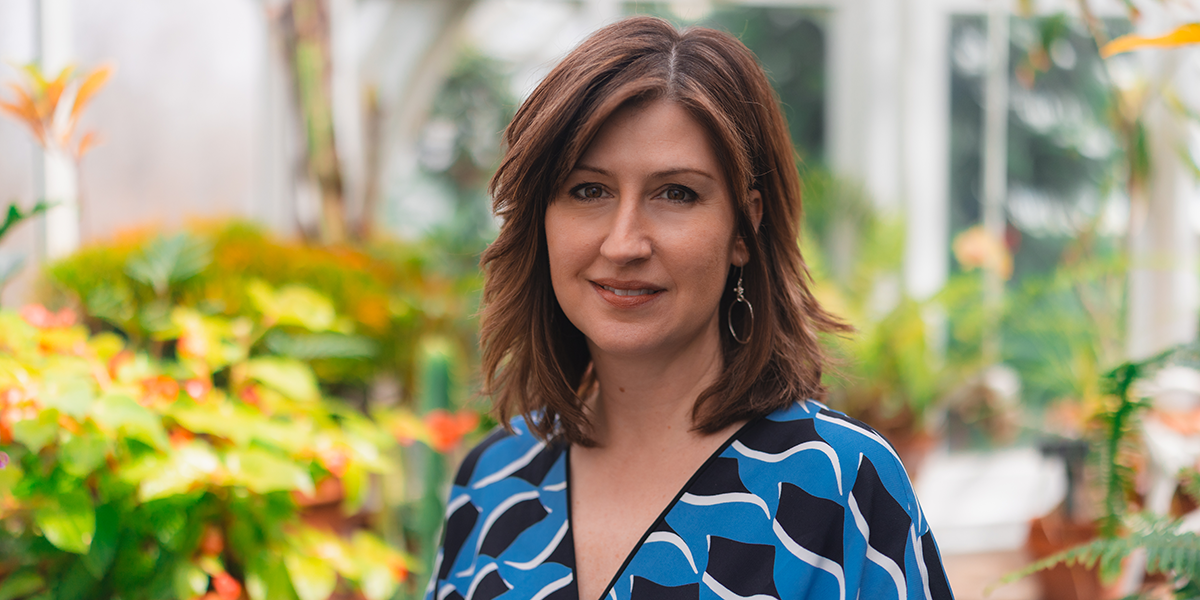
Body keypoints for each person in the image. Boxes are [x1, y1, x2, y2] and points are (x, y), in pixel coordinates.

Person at [424, 15, 954, 600]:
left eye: (676, 193)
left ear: (744, 228)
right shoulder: (492, 481)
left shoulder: (840, 485)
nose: (624, 243)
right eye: (588, 190)